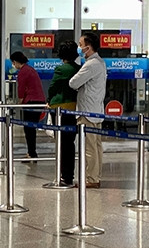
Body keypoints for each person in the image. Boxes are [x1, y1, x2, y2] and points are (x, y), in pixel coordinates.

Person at [69, 32, 106, 188]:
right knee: (96, 147)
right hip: (96, 110)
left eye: (80, 44)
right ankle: (95, 175)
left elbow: (73, 83)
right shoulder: (100, 62)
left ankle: (91, 178)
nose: (79, 47)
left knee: (90, 148)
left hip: (88, 112)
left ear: (88, 47)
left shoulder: (91, 64)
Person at [48, 41, 80, 187]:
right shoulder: (79, 69)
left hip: (59, 108)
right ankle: (69, 176)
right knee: (69, 143)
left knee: (61, 142)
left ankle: (62, 174)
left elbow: (53, 87)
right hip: (73, 108)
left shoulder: (61, 69)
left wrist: (49, 99)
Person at [11, 51, 46, 161]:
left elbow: (21, 89)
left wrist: (19, 102)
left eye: (13, 62)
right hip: (39, 101)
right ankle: (31, 152)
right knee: (32, 128)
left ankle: (32, 153)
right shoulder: (30, 69)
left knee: (29, 128)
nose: (13, 65)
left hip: (31, 101)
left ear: (16, 62)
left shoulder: (23, 72)